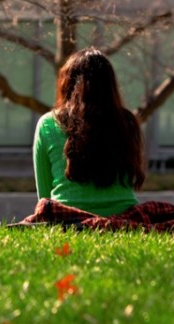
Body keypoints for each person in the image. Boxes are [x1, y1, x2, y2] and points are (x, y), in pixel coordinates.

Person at [33, 47, 146, 217]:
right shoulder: (128, 122)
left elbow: (44, 196)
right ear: (110, 85)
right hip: (125, 216)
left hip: (66, 217)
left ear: (67, 83)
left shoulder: (47, 124)